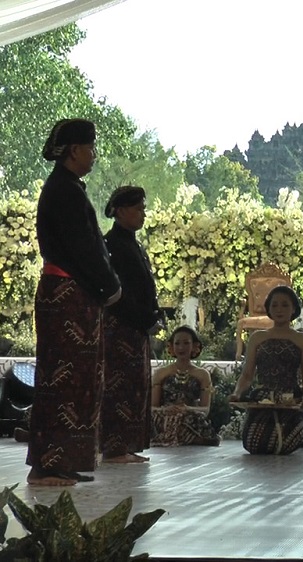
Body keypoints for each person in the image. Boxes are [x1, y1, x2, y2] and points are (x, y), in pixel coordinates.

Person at [27, 119, 122, 486]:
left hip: (74, 293)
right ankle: (48, 463)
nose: (94, 156)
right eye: (90, 148)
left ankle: (61, 461)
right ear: (73, 151)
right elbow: (84, 250)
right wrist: (110, 286)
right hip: (67, 293)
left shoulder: (67, 188)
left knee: (76, 380)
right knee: (61, 381)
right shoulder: (63, 191)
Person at [100, 185, 162, 464]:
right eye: (138, 209)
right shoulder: (112, 245)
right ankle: (114, 448)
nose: (143, 214)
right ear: (121, 211)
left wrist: (152, 315)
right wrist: (142, 317)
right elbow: (119, 291)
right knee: (119, 387)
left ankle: (126, 445)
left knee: (135, 386)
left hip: (136, 327)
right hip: (121, 327)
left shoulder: (132, 243)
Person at [229, 286, 303, 455]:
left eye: (284, 305)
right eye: (274, 305)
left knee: (282, 444)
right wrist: (237, 393)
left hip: (290, 399)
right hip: (262, 400)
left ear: (294, 309)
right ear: (268, 308)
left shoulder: (302, 340)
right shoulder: (257, 338)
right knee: (253, 444)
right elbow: (247, 375)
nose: (279, 310)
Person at [150, 326, 219, 447]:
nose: (181, 347)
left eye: (186, 343)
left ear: (194, 346)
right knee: (161, 418)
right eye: (177, 343)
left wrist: (187, 409)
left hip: (189, 417)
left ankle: (179, 436)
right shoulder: (160, 373)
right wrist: (165, 410)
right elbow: (152, 408)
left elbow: (205, 410)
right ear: (171, 346)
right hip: (164, 416)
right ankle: (181, 437)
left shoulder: (202, 374)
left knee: (190, 418)